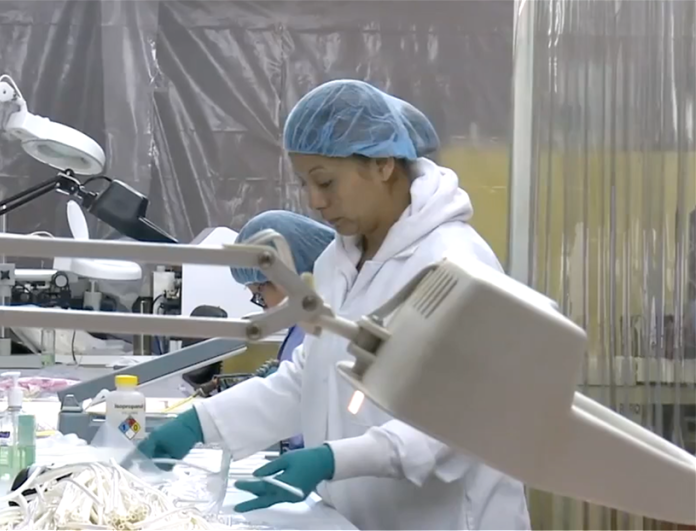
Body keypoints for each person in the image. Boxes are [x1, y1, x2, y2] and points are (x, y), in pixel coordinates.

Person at [138, 80, 531, 530]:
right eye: (306, 183)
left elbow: (460, 421)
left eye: (326, 182)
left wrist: (332, 459)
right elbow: (311, 373)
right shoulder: (339, 260)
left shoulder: (454, 264)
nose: (315, 202)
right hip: (359, 516)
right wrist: (200, 423)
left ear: (383, 163)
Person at [228, 210, 334, 450]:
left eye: (259, 294)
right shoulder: (303, 320)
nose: (264, 308)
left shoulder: (327, 322)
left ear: (285, 272)